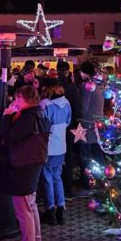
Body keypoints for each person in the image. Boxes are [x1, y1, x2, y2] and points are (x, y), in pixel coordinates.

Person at [0, 85, 45, 241]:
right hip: (33, 163)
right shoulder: (38, 113)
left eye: (19, 99)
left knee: (23, 209)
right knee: (30, 206)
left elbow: (10, 136)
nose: (15, 102)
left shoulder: (27, 118)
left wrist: (6, 117)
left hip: (23, 165)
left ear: (28, 100)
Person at [39, 83, 71, 225]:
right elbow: (68, 122)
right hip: (61, 147)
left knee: (47, 179)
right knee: (57, 178)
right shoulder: (67, 103)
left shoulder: (45, 105)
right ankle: (61, 211)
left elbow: (40, 126)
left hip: (48, 147)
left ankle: (50, 210)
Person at [56, 60, 82, 200]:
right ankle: (67, 189)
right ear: (67, 71)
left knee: (56, 158)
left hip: (54, 128)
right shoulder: (72, 87)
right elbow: (77, 107)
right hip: (70, 126)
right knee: (68, 156)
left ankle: (57, 189)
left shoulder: (54, 86)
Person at [77, 60, 105, 186]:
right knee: (97, 152)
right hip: (98, 122)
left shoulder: (88, 86)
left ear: (84, 73)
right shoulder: (99, 84)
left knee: (85, 153)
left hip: (86, 123)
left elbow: (84, 106)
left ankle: (88, 180)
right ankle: (101, 178)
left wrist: (78, 117)